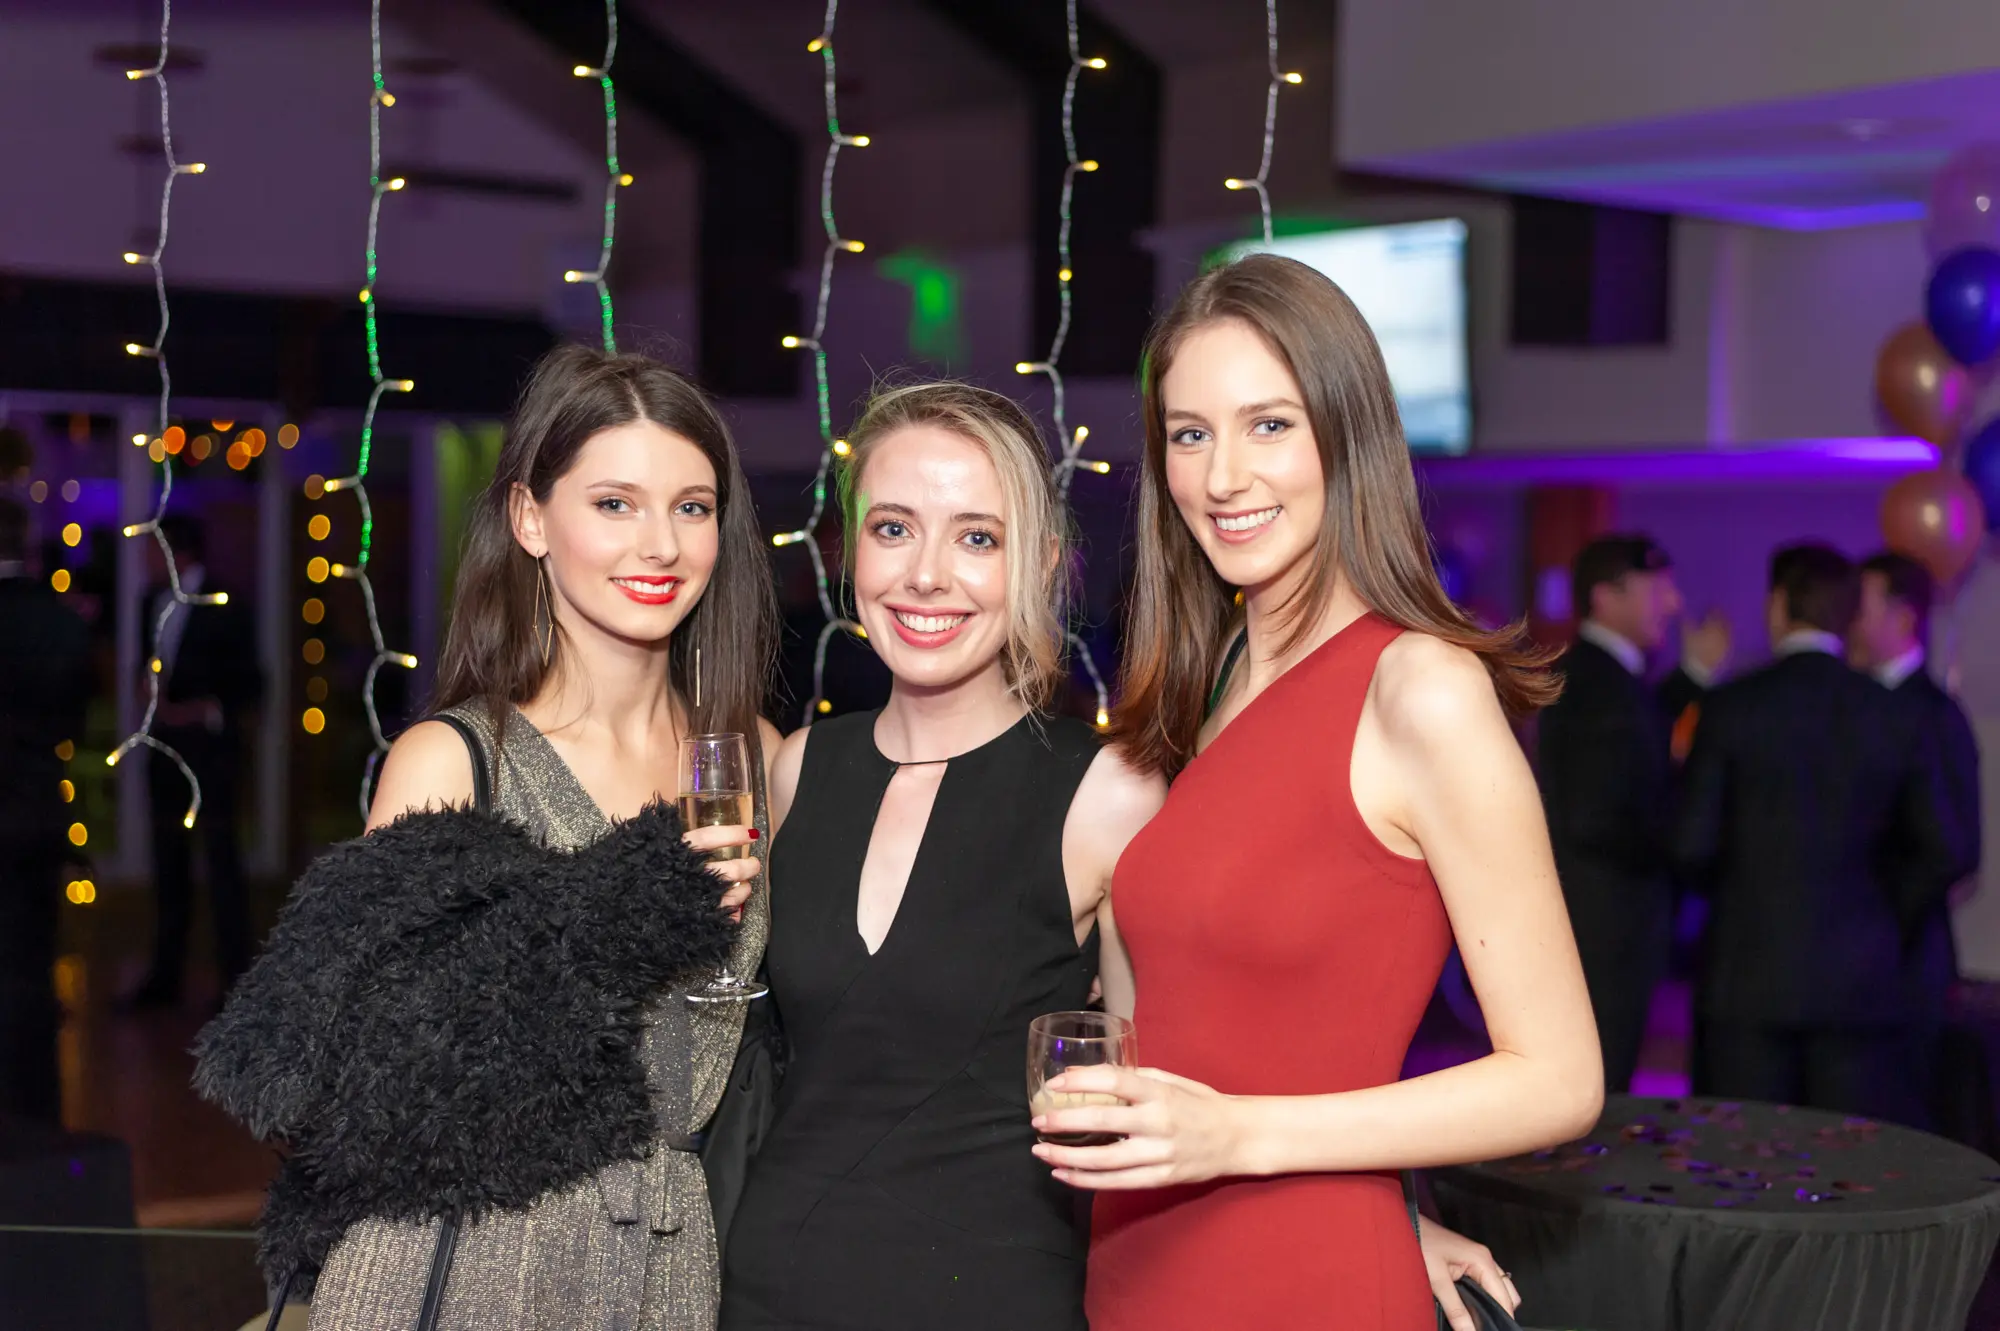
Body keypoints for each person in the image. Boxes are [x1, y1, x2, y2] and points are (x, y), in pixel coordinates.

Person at [717, 381, 1513, 1331]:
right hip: (771, 1283)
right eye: (894, 529)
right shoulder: (801, 767)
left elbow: (1201, 1058)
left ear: (1042, 563)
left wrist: (1394, 1209)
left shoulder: (1109, 792)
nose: (927, 574)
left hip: (995, 1296)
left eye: (978, 537)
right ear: (851, 554)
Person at [1038, 255, 1602, 1331]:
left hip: (1292, 1280)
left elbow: (1558, 1076)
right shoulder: (1206, 689)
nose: (1220, 477)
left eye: (1269, 425)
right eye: (1189, 434)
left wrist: (1248, 1139)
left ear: (1345, 435)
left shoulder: (1418, 688)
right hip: (1139, 1260)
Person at [300, 344, 780, 1329]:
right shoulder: (449, 762)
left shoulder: (752, 759)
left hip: (670, 1254)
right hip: (473, 1252)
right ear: (530, 517)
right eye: (614, 503)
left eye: (691, 507)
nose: (660, 545)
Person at [1675, 544, 1974, 1127]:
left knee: (1742, 1166)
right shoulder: (1894, 715)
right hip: (1860, 986)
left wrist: (1744, 899)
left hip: (1747, 979)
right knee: (1855, 1172)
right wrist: (1880, 912)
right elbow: (1946, 848)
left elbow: (1691, 845)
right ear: (1848, 615)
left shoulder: (1732, 707)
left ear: (1777, 607)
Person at [1536, 535, 1728, 1093]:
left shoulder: (1606, 679)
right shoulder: (1597, 685)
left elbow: (1636, 739)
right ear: (1605, 597)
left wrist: (1692, 675)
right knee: (1596, 1085)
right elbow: (1599, 813)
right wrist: (1687, 848)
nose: (1672, 604)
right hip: (1606, 925)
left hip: (1609, 920)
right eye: (1658, 589)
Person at [123, 514, 262, 1010]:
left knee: (222, 863)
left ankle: (234, 984)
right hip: (164, 752)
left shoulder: (226, 606)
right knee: (168, 864)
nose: (142, 564)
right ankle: (165, 977)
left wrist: (200, 711)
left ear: (177, 554)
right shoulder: (149, 604)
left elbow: (250, 685)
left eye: (151, 553)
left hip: (212, 756)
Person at [0, 497, 91, 1124]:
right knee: (34, 954)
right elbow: (75, 723)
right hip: (37, 809)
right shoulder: (62, 623)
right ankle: (38, 1112)